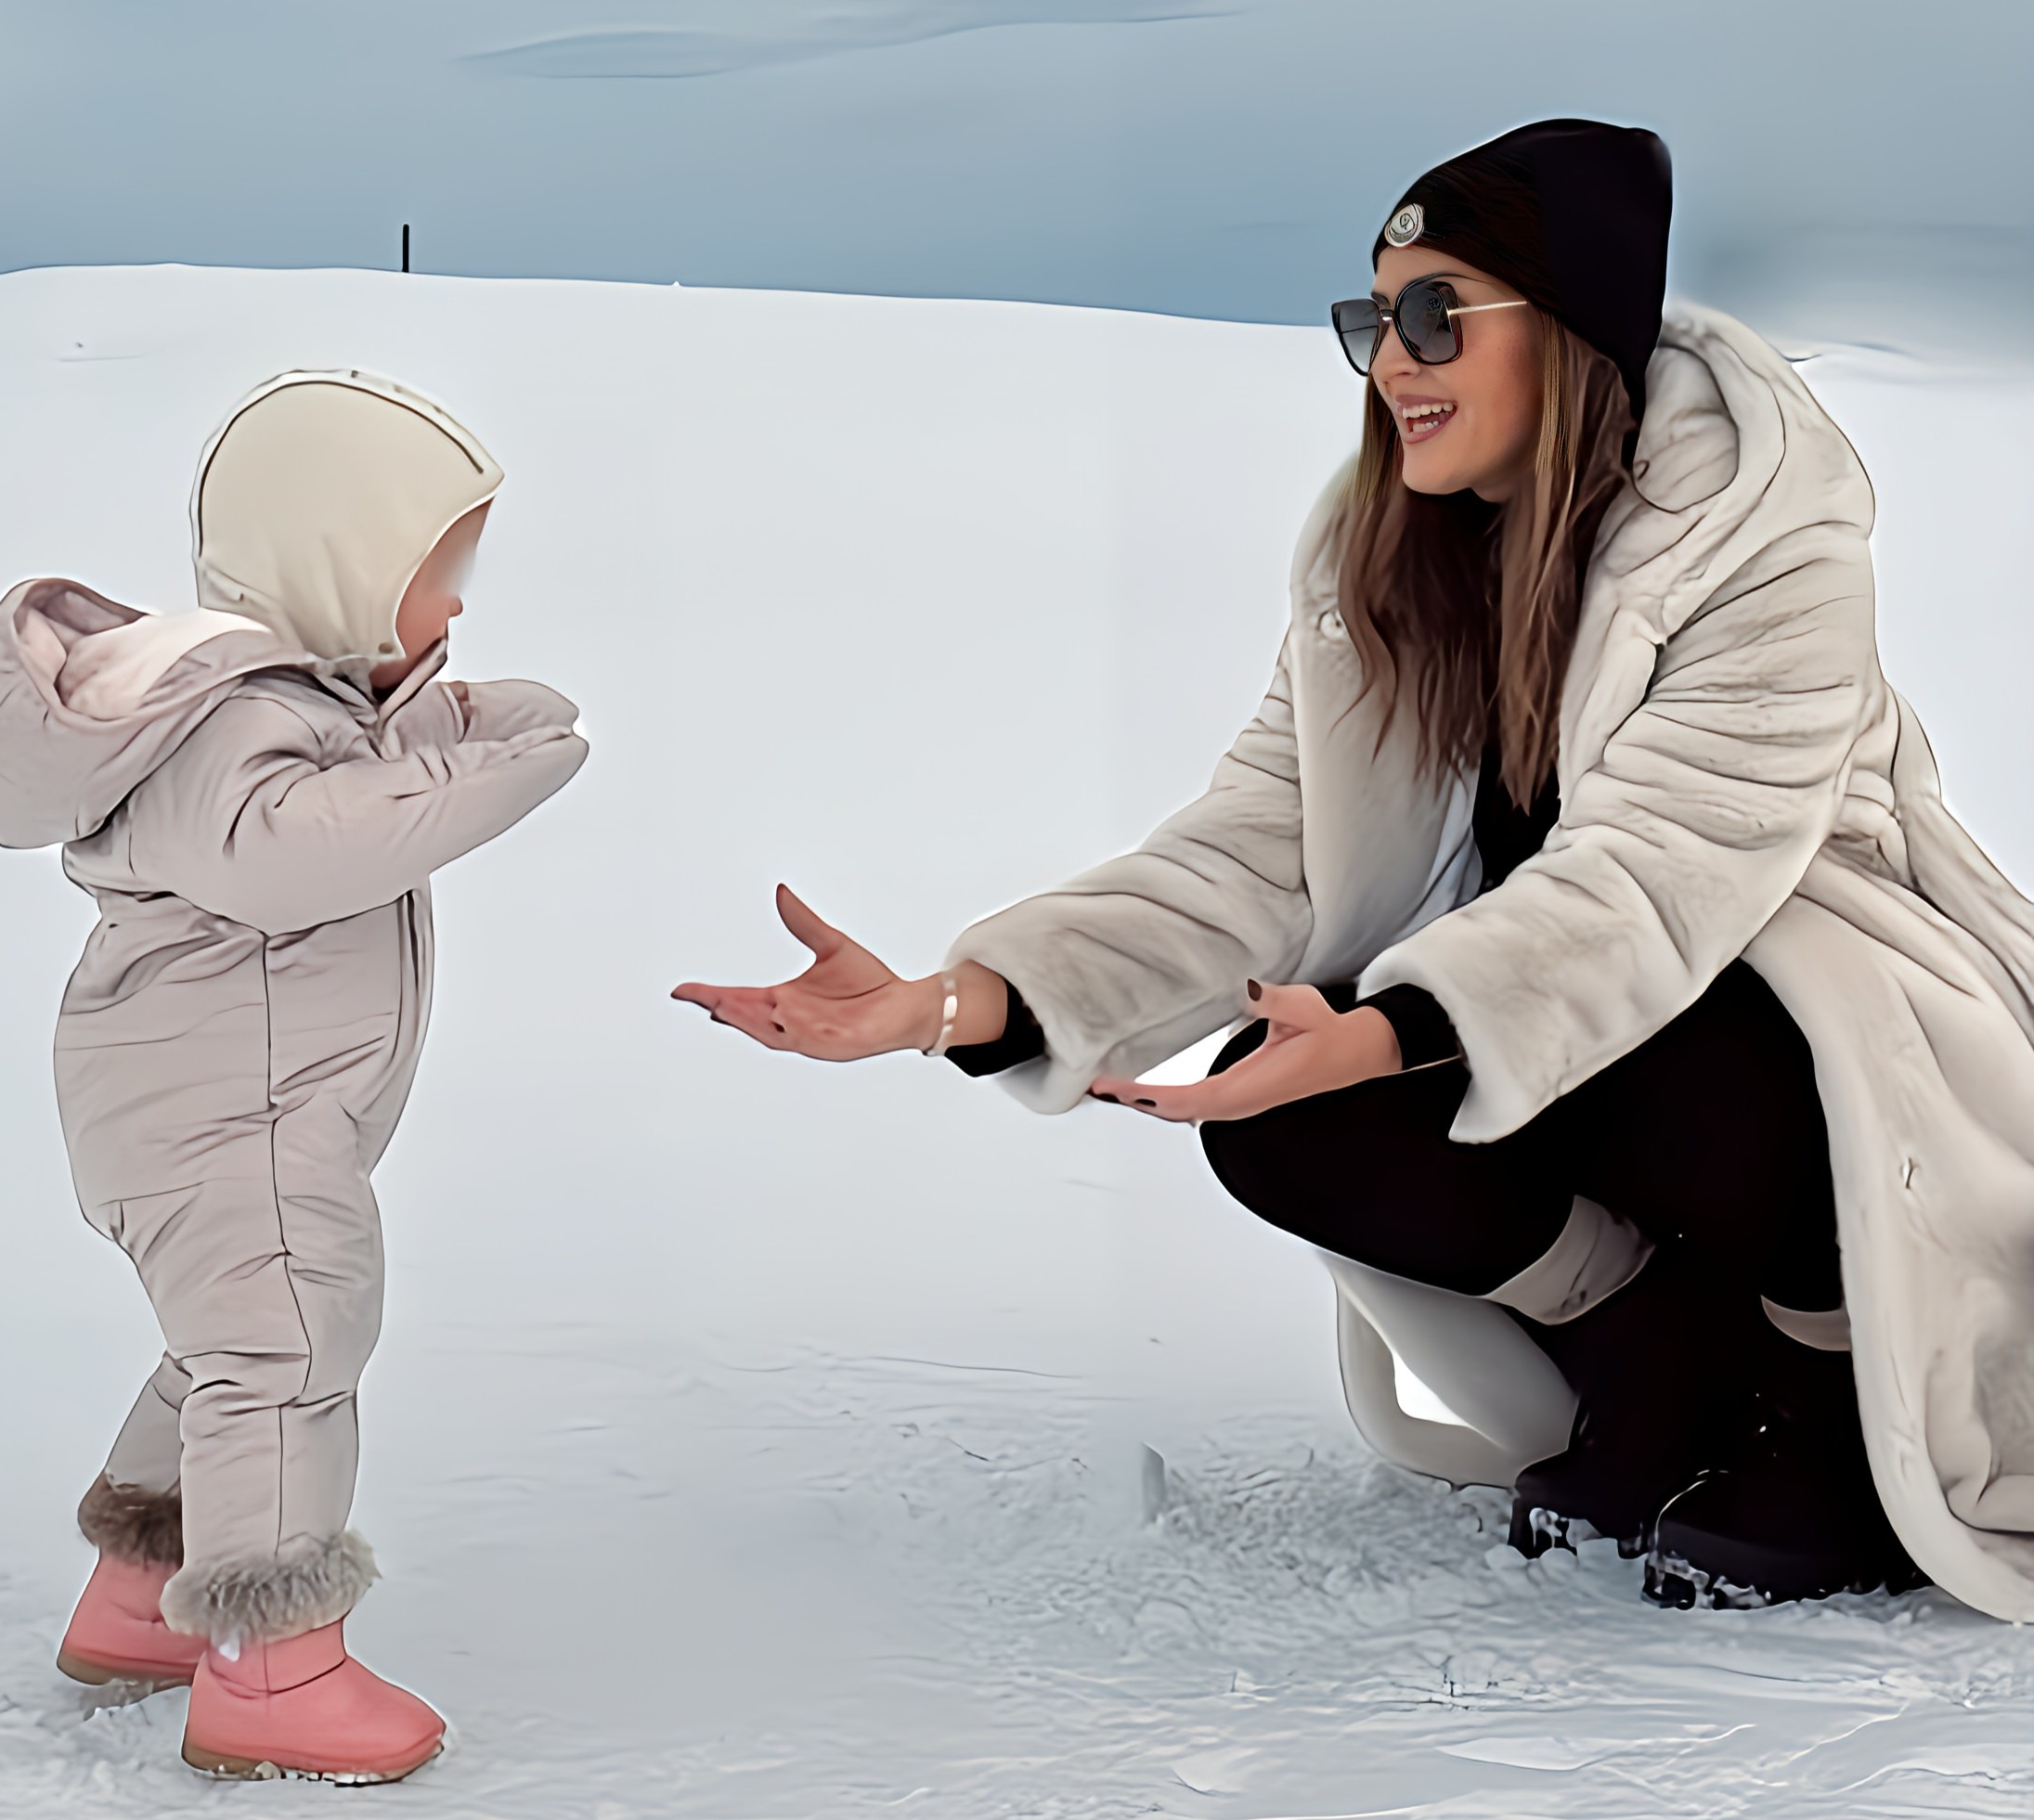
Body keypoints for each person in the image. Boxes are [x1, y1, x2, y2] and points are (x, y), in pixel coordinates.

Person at [676, 122, 2034, 1622]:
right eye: (1373, 319)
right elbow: (1258, 846)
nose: (1394, 358)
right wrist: (964, 1000)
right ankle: (1659, 1364)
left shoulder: (1766, 534)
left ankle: (1821, 1401)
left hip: (1827, 1026)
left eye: (1438, 312)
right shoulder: (1388, 562)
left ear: (1573, 325)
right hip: (1554, 1010)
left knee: (1703, 1031)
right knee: (1285, 1107)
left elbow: (1669, 873)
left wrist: (1397, 1024)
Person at [0, 370, 589, 1779]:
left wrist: (459, 721)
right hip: (229, 1118)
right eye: (441, 573)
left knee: (226, 1350)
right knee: (291, 1351)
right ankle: (271, 1668)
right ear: (346, 566)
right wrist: (495, 767)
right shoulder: (234, 726)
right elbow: (299, 848)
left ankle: (142, 1598)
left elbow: (360, 775)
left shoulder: (276, 708)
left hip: (208, 1105)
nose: (459, 608)